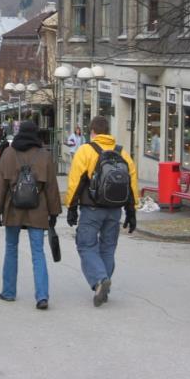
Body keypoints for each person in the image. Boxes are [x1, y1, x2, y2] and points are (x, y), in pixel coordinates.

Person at [0, 121, 61, 310]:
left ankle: (9, 292)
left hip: (13, 208)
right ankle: (42, 296)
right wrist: (53, 213)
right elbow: (52, 188)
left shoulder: (9, 153)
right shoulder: (44, 156)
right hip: (38, 208)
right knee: (38, 252)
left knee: (11, 248)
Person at [66, 115, 138, 307]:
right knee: (108, 247)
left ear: (93, 132)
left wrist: (71, 208)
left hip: (92, 208)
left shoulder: (86, 151)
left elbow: (76, 182)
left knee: (86, 245)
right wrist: (132, 211)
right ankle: (103, 283)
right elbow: (132, 183)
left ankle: (100, 280)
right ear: (108, 132)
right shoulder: (122, 153)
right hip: (115, 210)